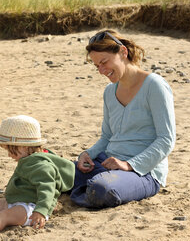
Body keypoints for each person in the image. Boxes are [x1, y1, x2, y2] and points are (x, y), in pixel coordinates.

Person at [70, 29, 176, 208]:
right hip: (107, 163)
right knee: (52, 172)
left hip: (144, 173)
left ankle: (90, 184)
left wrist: (129, 164)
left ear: (123, 52)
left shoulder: (155, 86)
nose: (102, 71)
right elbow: (107, 137)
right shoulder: (109, 92)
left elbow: (166, 140)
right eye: (97, 66)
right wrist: (87, 154)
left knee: (100, 189)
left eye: (104, 62)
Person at [0, 115, 75, 236]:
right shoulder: (29, 159)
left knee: (4, 216)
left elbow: (47, 190)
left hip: (32, 209)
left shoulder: (41, 166)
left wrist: (41, 211)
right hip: (20, 200)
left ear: (24, 146)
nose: (9, 155)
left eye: (11, 150)